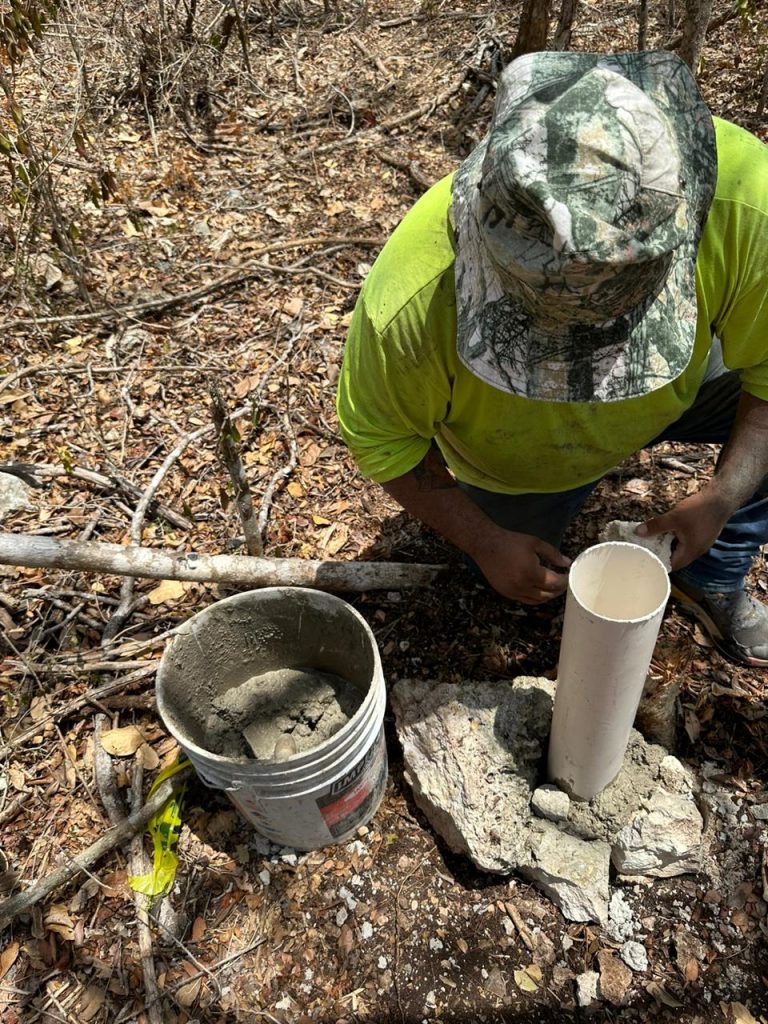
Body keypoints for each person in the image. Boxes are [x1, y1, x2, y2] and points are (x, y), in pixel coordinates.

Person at [336, 50, 768, 668]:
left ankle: (715, 575)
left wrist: (725, 495)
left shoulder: (746, 201)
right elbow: (380, 438)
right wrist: (486, 540)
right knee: (517, 588)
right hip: (521, 462)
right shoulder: (411, 301)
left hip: (688, 385)